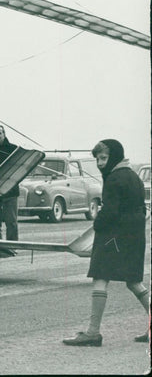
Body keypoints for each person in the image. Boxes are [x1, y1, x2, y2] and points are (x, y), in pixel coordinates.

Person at [63, 139, 149, 347]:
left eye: (104, 158)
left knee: (100, 277)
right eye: (98, 159)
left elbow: (110, 211)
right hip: (134, 235)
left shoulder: (114, 178)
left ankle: (93, 333)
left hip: (113, 236)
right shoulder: (134, 177)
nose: (100, 163)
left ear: (115, 156)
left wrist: (98, 224)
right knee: (133, 281)